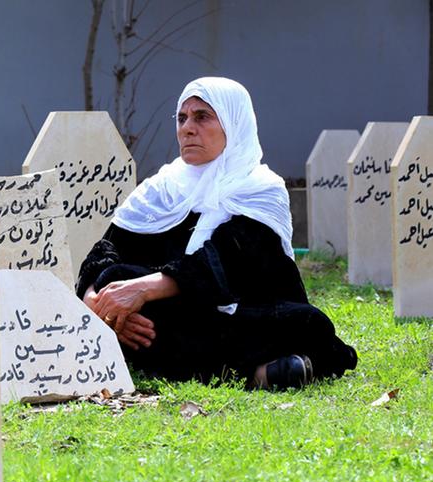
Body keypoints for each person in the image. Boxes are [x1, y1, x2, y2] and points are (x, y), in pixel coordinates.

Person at [78, 77, 357, 389]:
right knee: (113, 276)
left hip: (237, 316)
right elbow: (105, 251)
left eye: (202, 117)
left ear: (232, 124)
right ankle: (257, 373)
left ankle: (241, 371)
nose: (187, 128)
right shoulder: (160, 189)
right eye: (182, 118)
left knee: (308, 324)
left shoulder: (260, 189)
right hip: (169, 320)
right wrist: (98, 305)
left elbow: (227, 263)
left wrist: (142, 290)